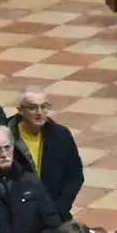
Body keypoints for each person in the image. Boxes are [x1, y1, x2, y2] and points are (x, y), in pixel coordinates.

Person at [12, 87, 86, 221]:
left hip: (56, 214)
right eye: (33, 108)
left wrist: (58, 210)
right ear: (20, 110)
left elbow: (75, 176)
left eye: (44, 107)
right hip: (19, 218)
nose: (39, 113)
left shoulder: (61, 135)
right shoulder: (7, 139)